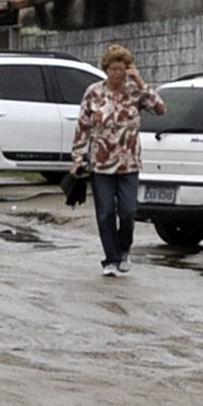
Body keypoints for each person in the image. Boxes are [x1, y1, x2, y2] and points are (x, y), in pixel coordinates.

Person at [70, 45, 163, 276]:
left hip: (129, 164)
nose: (117, 74)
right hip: (101, 164)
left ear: (128, 69)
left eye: (122, 69)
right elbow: (83, 126)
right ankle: (110, 259)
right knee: (105, 213)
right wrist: (77, 158)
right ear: (106, 69)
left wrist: (140, 82)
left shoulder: (135, 92)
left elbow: (160, 108)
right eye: (113, 69)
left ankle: (123, 249)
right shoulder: (94, 92)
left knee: (128, 210)